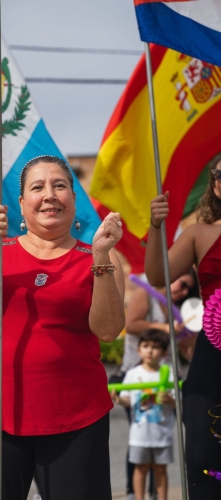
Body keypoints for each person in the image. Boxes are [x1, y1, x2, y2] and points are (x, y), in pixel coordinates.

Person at [0, 155, 126, 500]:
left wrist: (102, 256)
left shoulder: (98, 256)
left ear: (74, 198)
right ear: (21, 203)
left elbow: (107, 330)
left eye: (60, 185)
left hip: (76, 419)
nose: (49, 195)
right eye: (37, 187)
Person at [145, 153, 221, 499]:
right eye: (220, 175)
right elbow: (157, 276)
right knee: (205, 457)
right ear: (215, 186)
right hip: (213, 356)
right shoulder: (199, 234)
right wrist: (156, 226)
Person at [119, 270, 196, 500]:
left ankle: (156, 494)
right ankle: (135, 492)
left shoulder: (182, 311)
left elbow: (187, 352)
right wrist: (167, 329)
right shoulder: (146, 294)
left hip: (168, 379)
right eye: (181, 283)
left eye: (187, 289)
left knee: (160, 440)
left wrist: (190, 339)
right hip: (137, 375)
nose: (182, 290)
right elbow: (131, 324)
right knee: (139, 434)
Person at [112, 329, 175, 500]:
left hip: (163, 435)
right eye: (145, 346)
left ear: (164, 352)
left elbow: (178, 403)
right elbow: (128, 401)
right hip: (139, 436)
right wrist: (118, 399)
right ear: (138, 349)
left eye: (155, 347)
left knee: (161, 469)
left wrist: (169, 399)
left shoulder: (169, 374)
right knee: (140, 469)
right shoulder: (133, 374)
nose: (149, 350)